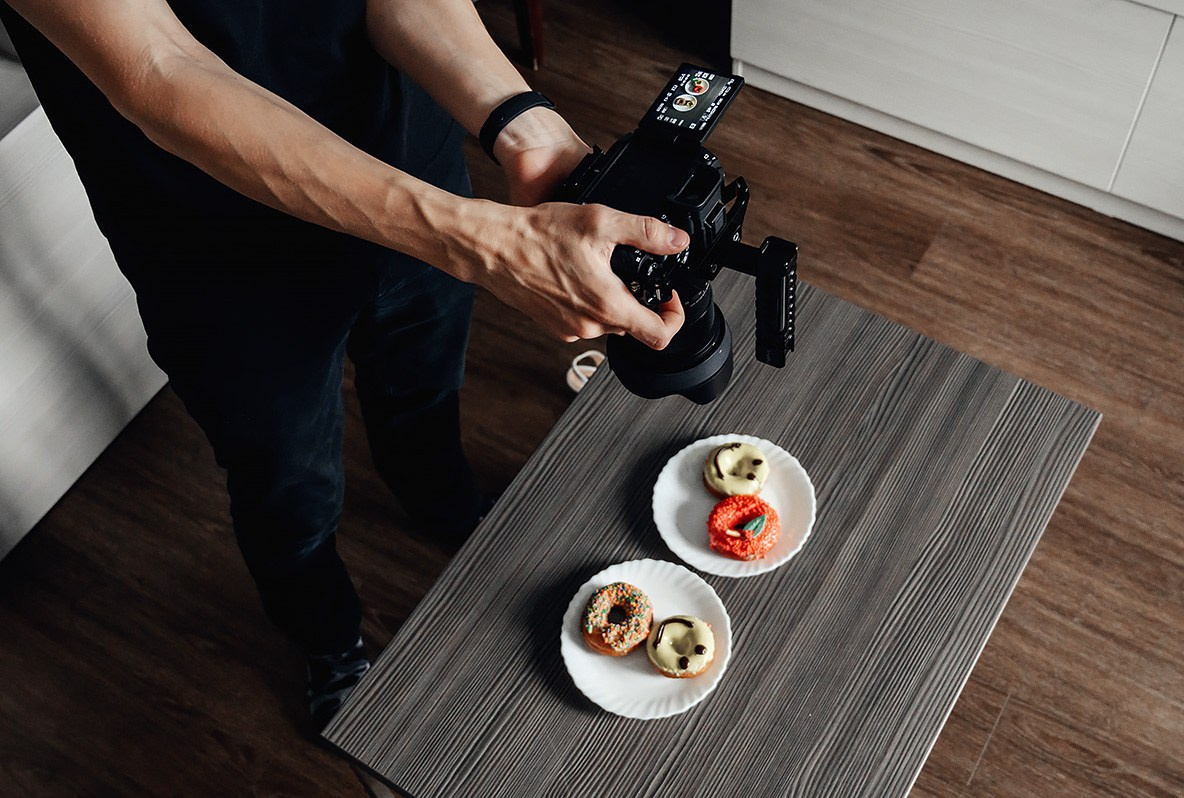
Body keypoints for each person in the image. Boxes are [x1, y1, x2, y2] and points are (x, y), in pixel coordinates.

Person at [0, 0, 688, 729]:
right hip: (219, 251)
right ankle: (327, 636)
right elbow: (161, 67)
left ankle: (441, 503)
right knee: (286, 483)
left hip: (409, 157)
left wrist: (524, 122)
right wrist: (476, 240)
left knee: (425, 383)